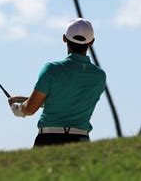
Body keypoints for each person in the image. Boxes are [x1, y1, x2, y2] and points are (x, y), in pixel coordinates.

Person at [8, 18, 106, 147]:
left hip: (49, 139)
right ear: (92, 42)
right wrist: (24, 99)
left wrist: (19, 109)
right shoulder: (99, 76)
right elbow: (66, 100)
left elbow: (30, 109)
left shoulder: (52, 69)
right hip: (81, 140)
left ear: (64, 38)